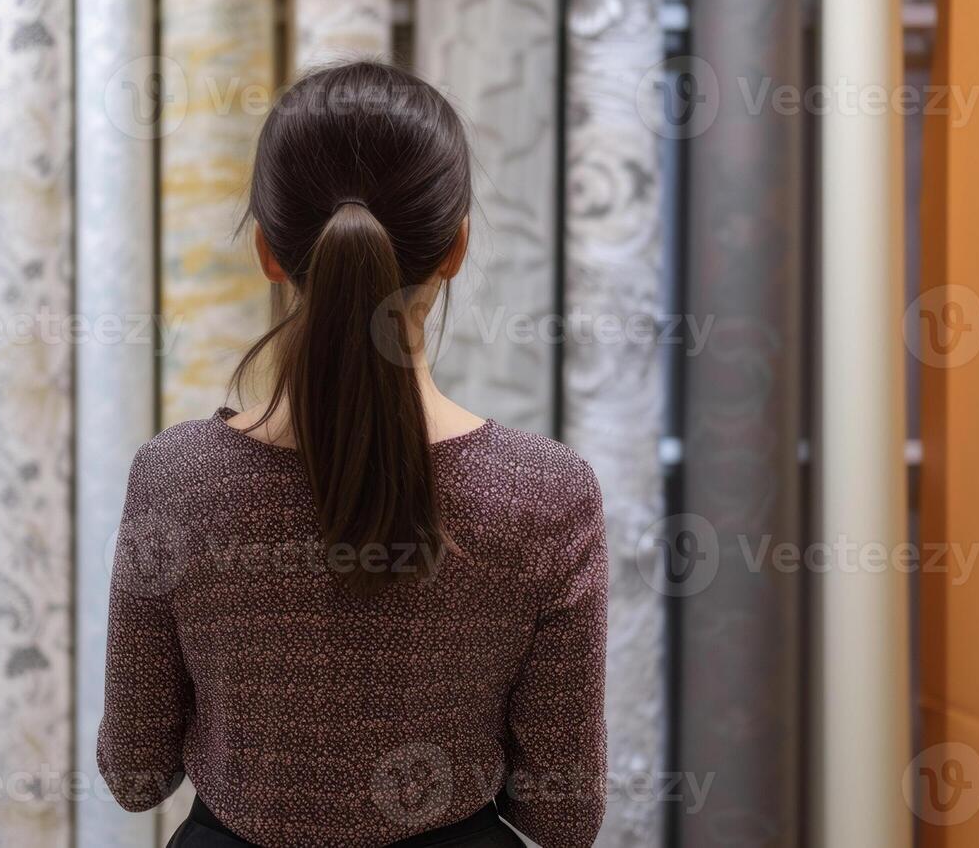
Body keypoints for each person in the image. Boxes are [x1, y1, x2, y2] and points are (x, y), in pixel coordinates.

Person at [97, 61, 608, 848]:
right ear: (456, 248)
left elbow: (135, 775)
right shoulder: (546, 497)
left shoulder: (174, 481)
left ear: (269, 250)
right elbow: (564, 816)